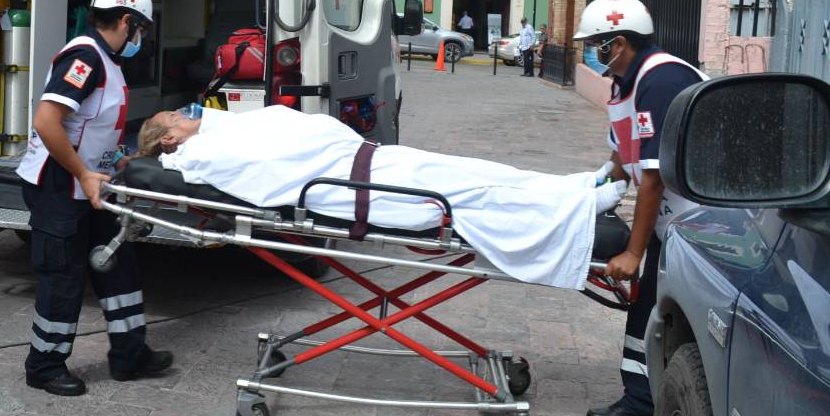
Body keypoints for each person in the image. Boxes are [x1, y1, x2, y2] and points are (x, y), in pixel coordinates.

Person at [136, 104, 628, 291]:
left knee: (478, 172)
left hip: (362, 163)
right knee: (470, 194)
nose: (187, 111)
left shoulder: (221, 131)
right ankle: (580, 210)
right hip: (357, 186)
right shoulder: (200, 154)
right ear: (170, 140)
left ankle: (577, 187)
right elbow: (265, 164)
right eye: (176, 116)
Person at [16, 0, 173, 396]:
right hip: (59, 186)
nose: (140, 40)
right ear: (126, 21)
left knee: (118, 262)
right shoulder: (84, 57)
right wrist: (84, 173)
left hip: (91, 184)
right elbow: (47, 122)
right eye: (140, 30)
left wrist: (113, 158)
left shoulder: (107, 60)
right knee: (63, 276)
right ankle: (44, 365)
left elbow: (89, 124)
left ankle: (130, 355)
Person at [572, 0, 706, 416]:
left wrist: (632, 253)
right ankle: (643, 398)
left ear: (620, 42)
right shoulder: (623, 85)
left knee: (659, 306)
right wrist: (582, 189)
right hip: (671, 219)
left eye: (595, 43)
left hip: (698, 222)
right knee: (645, 306)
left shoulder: (661, 80)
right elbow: (620, 159)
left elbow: (654, 178)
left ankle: (652, 401)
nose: (590, 51)